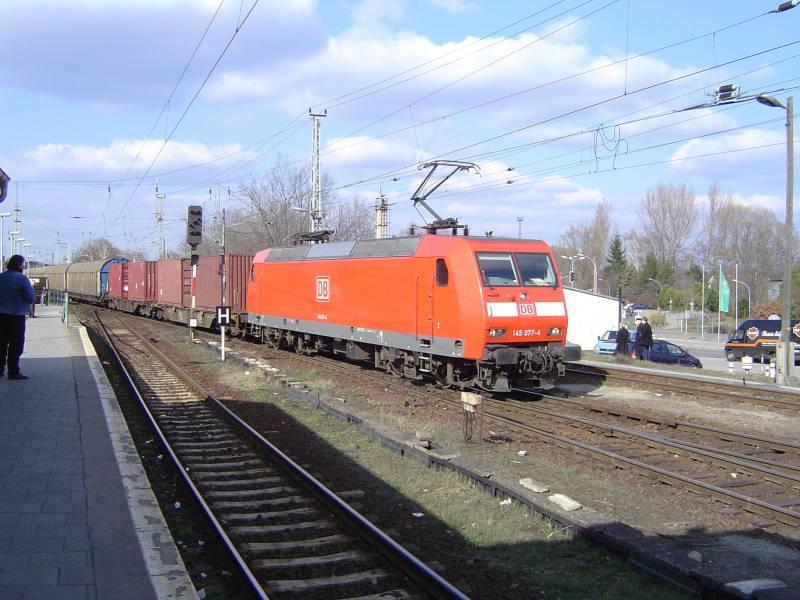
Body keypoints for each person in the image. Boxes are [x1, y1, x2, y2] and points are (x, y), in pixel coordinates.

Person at [0, 255, 35, 380]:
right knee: (16, 344)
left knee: (1, 343)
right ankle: (13, 371)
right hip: (16, 316)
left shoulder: (1, 277)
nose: (23, 267)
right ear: (19, 265)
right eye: (23, 265)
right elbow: (31, 297)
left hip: (1, 316)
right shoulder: (22, 279)